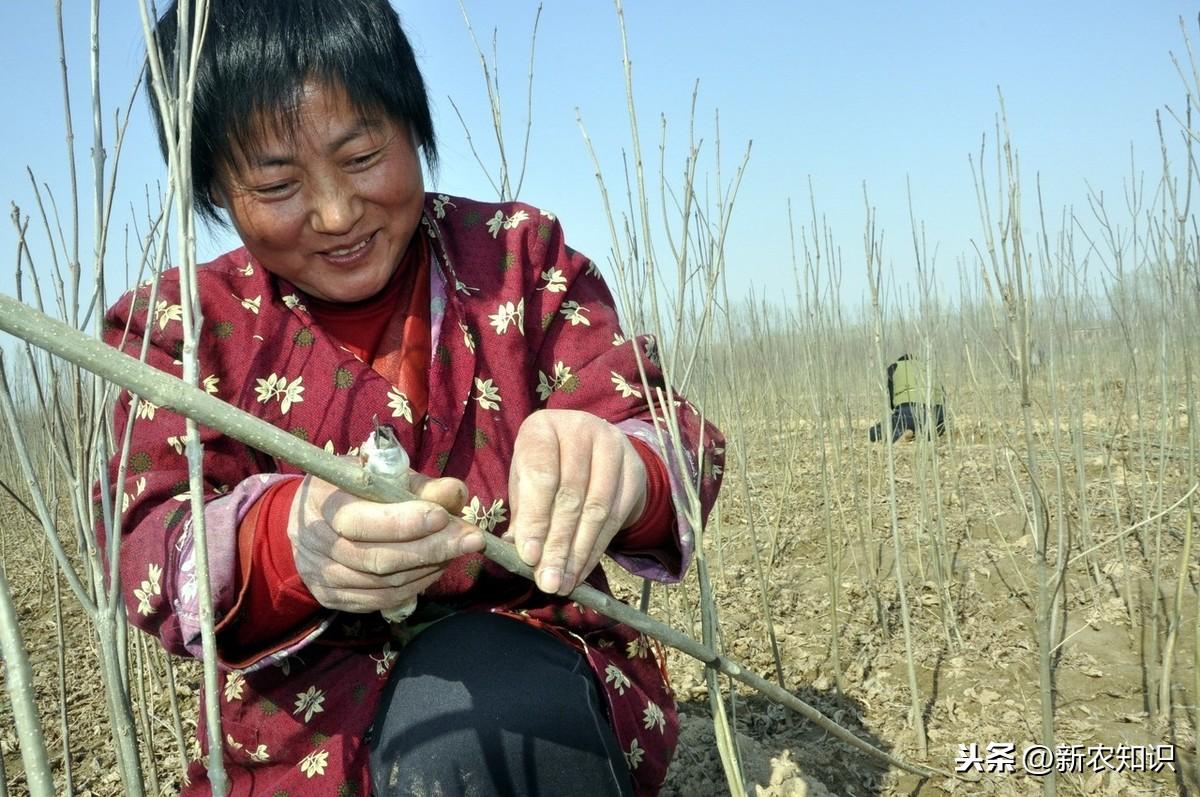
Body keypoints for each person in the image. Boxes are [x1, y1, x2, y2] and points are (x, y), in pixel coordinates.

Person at [101, 2, 724, 795]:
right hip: (302, 740)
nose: (335, 213)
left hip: (538, 698)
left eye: (362, 156)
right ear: (216, 187)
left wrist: (624, 470)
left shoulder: (519, 262)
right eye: (277, 182)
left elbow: (673, 434)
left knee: (488, 706)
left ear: (412, 123)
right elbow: (146, 539)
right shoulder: (179, 330)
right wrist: (288, 542)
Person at [868, 353, 946, 442]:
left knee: (873, 433)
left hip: (908, 411)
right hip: (937, 413)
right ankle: (924, 434)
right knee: (936, 427)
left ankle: (906, 432)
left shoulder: (894, 367)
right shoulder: (928, 368)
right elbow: (943, 396)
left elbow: (890, 399)